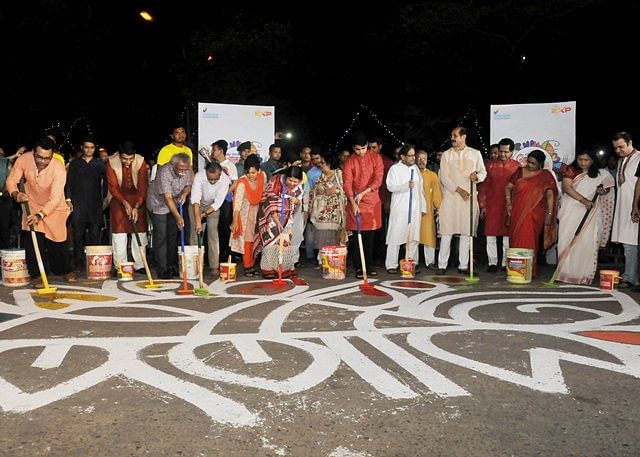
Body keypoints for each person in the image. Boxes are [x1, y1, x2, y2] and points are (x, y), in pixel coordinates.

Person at [6, 136, 77, 284]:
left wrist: (41, 215)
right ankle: (37, 275)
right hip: (31, 203)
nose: (43, 162)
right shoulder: (24, 159)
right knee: (34, 240)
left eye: (47, 158)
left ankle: (63, 270)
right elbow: (12, 181)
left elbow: (56, 197)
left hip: (55, 207)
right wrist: (16, 194)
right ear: (33, 153)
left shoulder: (58, 167)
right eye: (39, 157)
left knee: (57, 240)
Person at [556, 150, 614, 284]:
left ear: (592, 160)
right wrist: (584, 201)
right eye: (580, 159)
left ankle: (583, 276)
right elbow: (568, 188)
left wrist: (603, 190)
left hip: (590, 214)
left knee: (587, 242)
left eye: (586, 160)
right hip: (571, 210)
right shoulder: (571, 170)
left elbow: (608, 187)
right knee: (566, 239)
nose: (582, 162)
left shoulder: (601, 174)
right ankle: (564, 273)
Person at [436, 126, 487, 274]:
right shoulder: (446, 155)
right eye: (452, 135)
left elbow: (483, 172)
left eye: (455, 136)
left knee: (466, 232)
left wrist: (476, 177)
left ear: (463, 137)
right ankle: (442, 265)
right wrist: (459, 190)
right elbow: (444, 177)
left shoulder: (475, 154)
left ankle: (463, 265)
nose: (452, 138)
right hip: (451, 198)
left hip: (468, 199)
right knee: (446, 232)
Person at [505, 150, 558, 276]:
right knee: (515, 239)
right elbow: (508, 186)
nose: (529, 165)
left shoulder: (545, 176)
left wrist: (549, 215)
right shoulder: (519, 171)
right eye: (528, 161)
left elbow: (550, 195)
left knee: (530, 241)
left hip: (535, 214)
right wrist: (508, 202)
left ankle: (529, 270)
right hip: (517, 211)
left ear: (540, 164)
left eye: (533, 163)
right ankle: (515, 271)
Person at [343, 131, 384, 278]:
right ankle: (358, 267)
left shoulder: (376, 158)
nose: (361, 152)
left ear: (367, 146)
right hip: (355, 202)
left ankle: (369, 264)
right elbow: (347, 184)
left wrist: (363, 193)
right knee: (357, 236)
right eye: (357, 149)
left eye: (364, 148)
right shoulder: (349, 162)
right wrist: (353, 202)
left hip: (372, 202)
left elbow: (378, 180)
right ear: (353, 148)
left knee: (370, 237)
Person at [146, 153, 193, 279]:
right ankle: (162, 268)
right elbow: (167, 198)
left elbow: (189, 185)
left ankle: (171, 265)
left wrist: (184, 194)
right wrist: (178, 216)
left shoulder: (187, 169)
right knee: (161, 235)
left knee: (172, 234)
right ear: (173, 165)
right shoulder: (165, 172)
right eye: (181, 169)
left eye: (185, 169)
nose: (184, 172)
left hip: (175, 203)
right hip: (158, 205)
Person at [105, 141, 149, 274]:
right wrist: (124, 203)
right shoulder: (111, 162)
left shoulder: (140, 161)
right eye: (124, 158)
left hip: (137, 198)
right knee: (119, 232)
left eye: (131, 158)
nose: (128, 161)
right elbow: (113, 187)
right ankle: (120, 265)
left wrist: (136, 206)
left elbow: (142, 186)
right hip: (118, 199)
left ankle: (140, 264)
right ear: (119, 155)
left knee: (140, 231)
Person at [253, 166, 304, 279]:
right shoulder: (274, 181)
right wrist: (276, 219)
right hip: (270, 217)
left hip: (288, 218)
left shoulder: (300, 185)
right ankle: (268, 269)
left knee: (284, 243)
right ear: (286, 176)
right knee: (270, 243)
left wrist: (296, 201)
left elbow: (298, 202)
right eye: (290, 180)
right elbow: (269, 200)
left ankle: (284, 269)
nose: (292, 183)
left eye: (295, 181)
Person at [478, 137, 520, 272]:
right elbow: (483, 187)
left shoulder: (517, 167)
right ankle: (492, 263)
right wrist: (483, 205)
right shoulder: (489, 165)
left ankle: (505, 263)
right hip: (492, 204)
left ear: (512, 152)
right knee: (490, 234)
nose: (502, 154)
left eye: (506, 152)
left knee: (507, 236)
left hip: (508, 205)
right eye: (501, 151)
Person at [65, 137, 106, 272]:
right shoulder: (75, 164)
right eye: (86, 147)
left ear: (95, 149)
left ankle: (94, 263)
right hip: (78, 204)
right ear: (82, 148)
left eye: (92, 147)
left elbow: (105, 184)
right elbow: (69, 183)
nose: (89, 150)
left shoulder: (99, 164)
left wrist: (104, 200)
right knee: (78, 235)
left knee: (95, 235)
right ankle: (79, 263)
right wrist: (68, 199)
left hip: (94, 204)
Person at [385, 144, 426, 273]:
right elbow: (390, 187)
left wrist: (422, 207)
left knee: (413, 238)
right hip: (400, 209)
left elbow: (421, 190)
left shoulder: (416, 169)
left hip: (414, 210)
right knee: (395, 237)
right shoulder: (395, 169)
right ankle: (391, 265)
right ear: (402, 156)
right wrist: (405, 185)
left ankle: (410, 264)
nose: (413, 158)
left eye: (414, 155)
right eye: (410, 156)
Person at [191, 160, 230, 277]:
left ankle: (214, 266)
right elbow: (195, 198)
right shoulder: (199, 176)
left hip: (213, 206)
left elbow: (218, 203)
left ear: (220, 174)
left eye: (215, 179)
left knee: (213, 234)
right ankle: (195, 266)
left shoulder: (225, 179)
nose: (213, 182)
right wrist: (198, 219)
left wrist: (204, 214)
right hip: (197, 205)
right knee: (195, 234)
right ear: (206, 173)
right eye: (210, 179)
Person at [309, 150, 347, 268]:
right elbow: (313, 192)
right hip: (322, 212)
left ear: (331, 163)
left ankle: (335, 260)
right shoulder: (319, 177)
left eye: (323, 163)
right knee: (322, 236)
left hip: (336, 212)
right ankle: (322, 260)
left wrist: (336, 191)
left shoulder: (340, 174)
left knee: (336, 236)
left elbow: (347, 190)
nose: (321, 165)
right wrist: (318, 191)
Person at [611, 131, 639, 287]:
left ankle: (630, 277)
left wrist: (636, 205)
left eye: (621, 147)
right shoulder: (621, 161)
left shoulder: (639, 158)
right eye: (615, 148)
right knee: (626, 242)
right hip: (622, 206)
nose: (618, 151)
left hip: (634, 206)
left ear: (630, 142)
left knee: (631, 242)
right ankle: (630, 275)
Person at [230, 155, 266, 276]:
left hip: (259, 212)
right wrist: (235, 221)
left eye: (253, 172)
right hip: (245, 214)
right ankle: (247, 266)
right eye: (248, 172)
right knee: (247, 240)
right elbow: (237, 204)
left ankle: (252, 263)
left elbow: (264, 192)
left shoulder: (263, 177)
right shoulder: (242, 182)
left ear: (259, 170)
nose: (251, 175)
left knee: (257, 239)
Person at [210, 139, 237, 264]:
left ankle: (226, 255)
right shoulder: (211, 164)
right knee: (213, 227)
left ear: (221, 151)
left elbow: (235, 183)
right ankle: (213, 255)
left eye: (214, 149)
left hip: (225, 201)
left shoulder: (230, 165)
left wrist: (224, 193)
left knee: (225, 228)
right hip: (212, 200)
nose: (212, 152)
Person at [416, 149, 442, 269]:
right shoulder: (411, 173)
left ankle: (430, 262)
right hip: (414, 210)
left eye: (424, 158)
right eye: (419, 158)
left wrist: (438, 207)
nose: (421, 161)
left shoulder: (432, 175)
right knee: (413, 237)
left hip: (428, 211)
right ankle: (413, 262)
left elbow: (437, 193)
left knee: (429, 236)